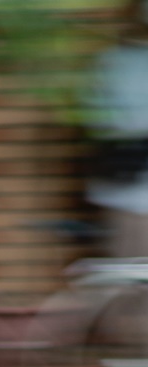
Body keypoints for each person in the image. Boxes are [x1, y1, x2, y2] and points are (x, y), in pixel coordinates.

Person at [87, 3, 148, 257]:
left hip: (126, 188)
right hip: (131, 189)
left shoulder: (112, 62)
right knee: (133, 277)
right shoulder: (117, 63)